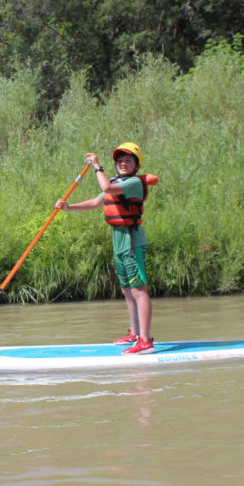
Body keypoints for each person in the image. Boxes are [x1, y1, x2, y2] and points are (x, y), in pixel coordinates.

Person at [56, 143, 156, 354]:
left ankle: (146, 340)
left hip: (132, 241)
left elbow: (106, 189)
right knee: (126, 289)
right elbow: (96, 202)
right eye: (120, 160)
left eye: (128, 160)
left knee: (138, 289)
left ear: (136, 165)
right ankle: (134, 333)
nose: (122, 163)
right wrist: (69, 207)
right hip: (118, 241)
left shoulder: (133, 183)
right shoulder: (115, 182)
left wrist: (96, 166)